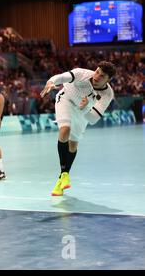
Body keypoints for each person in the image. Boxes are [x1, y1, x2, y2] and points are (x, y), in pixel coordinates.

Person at [40, 61, 115, 196]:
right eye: (97, 71)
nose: (97, 76)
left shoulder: (107, 94)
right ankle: (64, 173)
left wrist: (85, 107)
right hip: (66, 100)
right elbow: (62, 77)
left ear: (109, 80)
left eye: (102, 76)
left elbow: (93, 119)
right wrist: (51, 81)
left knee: (73, 145)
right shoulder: (82, 74)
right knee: (65, 130)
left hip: (83, 112)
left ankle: (61, 179)